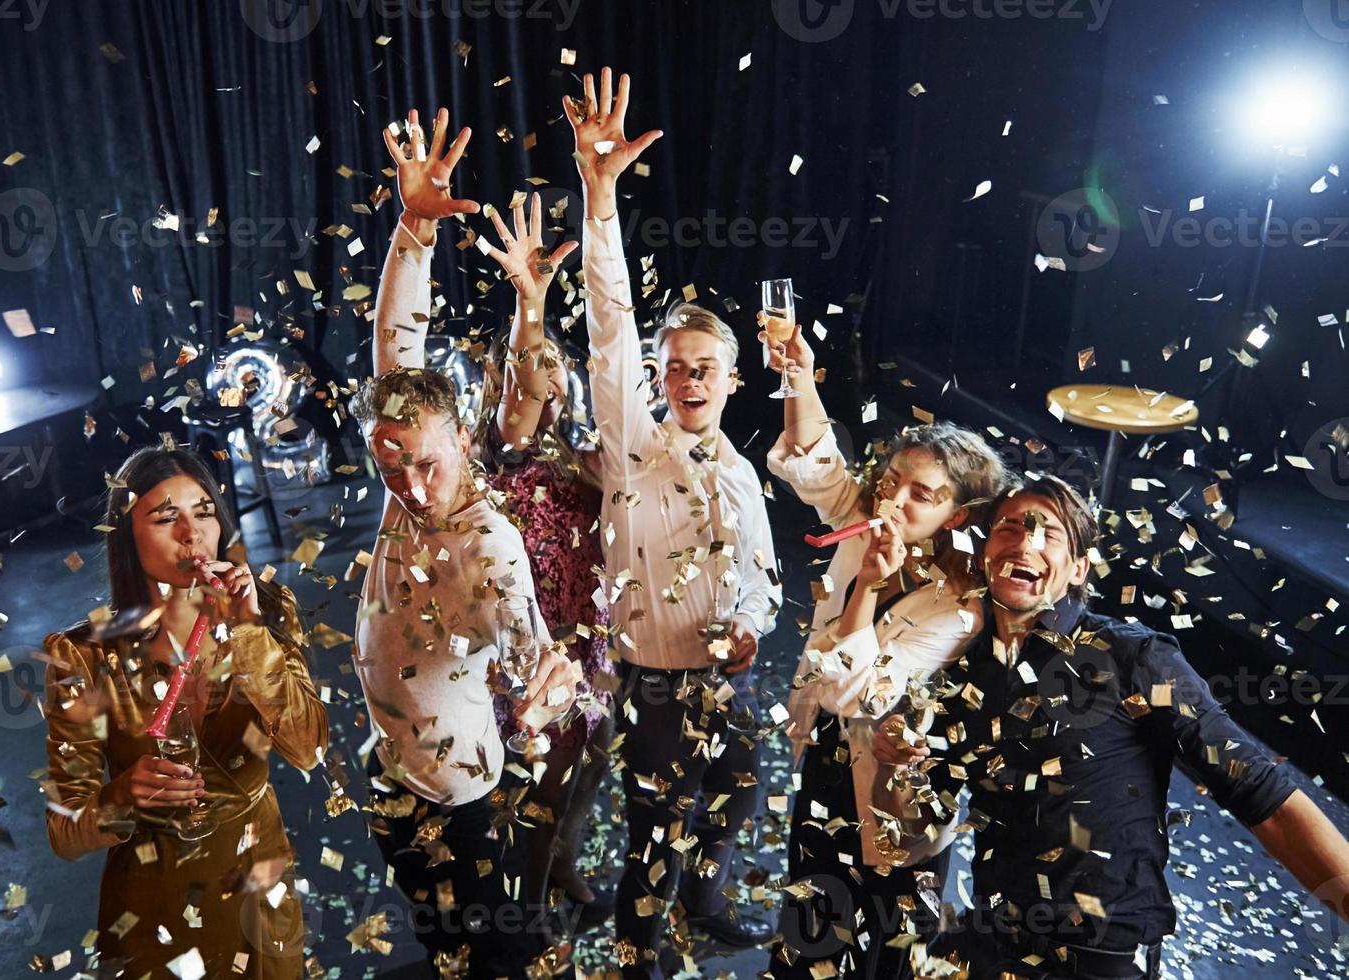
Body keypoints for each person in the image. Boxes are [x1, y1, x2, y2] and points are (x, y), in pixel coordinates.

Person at [873, 475, 1349, 979]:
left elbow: (1262, 793)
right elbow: (919, 830)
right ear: (987, 551)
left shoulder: (1131, 655)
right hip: (994, 943)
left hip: (1101, 956)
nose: (1023, 541)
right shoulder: (961, 674)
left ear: (1077, 568)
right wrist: (896, 760)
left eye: (1047, 533)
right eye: (1008, 528)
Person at [349, 106, 582, 978]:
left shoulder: (489, 542)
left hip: (468, 803)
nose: (410, 484)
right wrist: (412, 227)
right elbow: (392, 346)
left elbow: (533, 659)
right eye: (392, 464)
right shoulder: (402, 494)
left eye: (429, 463)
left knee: (500, 957)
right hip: (394, 783)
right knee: (441, 947)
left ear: (462, 438)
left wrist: (548, 691)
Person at [568, 68, 783, 977]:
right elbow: (610, 327)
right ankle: (641, 954)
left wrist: (753, 628)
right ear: (658, 379)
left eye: (706, 368)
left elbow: (768, 578)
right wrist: (601, 197)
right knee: (655, 827)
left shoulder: (740, 471)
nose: (688, 379)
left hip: (728, 681)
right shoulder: (627, 446)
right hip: (654, 684)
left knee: (734, 797)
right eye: (675, 367)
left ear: (732, 381)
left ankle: (707, 900)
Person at [762, 324, 1014, 978]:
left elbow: (856, 689)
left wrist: (869, 586)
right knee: (810, 929)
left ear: (957, 517)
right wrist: (798, 371)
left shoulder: (958, 609)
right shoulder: (864, 521)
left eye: (922, 496)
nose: (892, 501)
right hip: (826, 755)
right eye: (892, 480)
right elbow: (818, 463)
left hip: (897, 793)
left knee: (890, 951)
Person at [42, 444, 328, 979]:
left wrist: (248, 636)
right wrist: (120, 796)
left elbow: (309, 747)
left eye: (203, 512)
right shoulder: (82, 655)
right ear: (127, 536)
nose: (191, 534)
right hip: (155, 899)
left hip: (257, 884)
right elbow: (64, 832)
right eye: (164, 517)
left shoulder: (268, 609)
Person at [474, 193, 618, 923]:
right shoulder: (500, 451)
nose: (549, 380)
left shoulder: (585, 458)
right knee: (535, 778)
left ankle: (560, 857)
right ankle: (522, 905)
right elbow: (521, 403)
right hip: (527, 652)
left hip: (589, 641)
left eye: (559, 368)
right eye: (536, 371)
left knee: (587, 765)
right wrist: (531, 308)